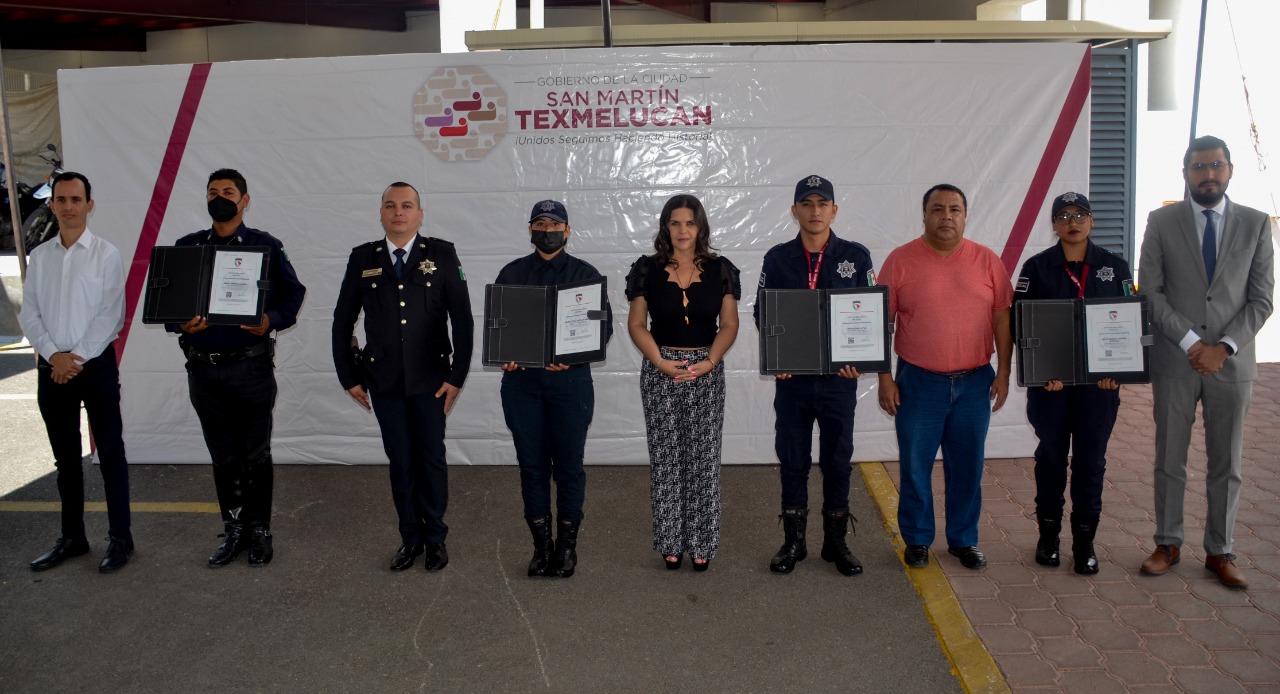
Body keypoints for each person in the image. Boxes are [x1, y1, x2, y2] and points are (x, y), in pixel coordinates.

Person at [1137, 135, 1274, 589]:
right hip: (1177, 360)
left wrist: (1224, 347)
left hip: (1232, 366)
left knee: (1227, 462)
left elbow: (1261, 300)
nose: (1208, 174)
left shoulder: (1256, 224)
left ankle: (1220, 550)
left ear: (1230, 170)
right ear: (1186, 173)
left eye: (1216, 165)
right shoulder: (1161, 221)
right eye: (1199, 167)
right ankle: (1168, 543)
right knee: (1169, 457)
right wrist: (1194, 342)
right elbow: (1151, 292)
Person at [333, 181, 473, 572]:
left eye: (407, 205)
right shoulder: (363, 257)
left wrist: (457, 375)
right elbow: (342, 321)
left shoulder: (441, 254)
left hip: (432, 381)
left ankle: (436, 539)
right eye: (391, 205)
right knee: (401, 461)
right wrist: (349, 376)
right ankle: (409, 538)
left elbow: (462, 320)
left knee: (430, 458)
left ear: (419, 214)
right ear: (380, 213)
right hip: (384, 382)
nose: (399, 212)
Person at [169, 168, 306, 568]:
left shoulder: (265, 246)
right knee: (223, 454)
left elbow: (293, 293)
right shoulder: (188, 247)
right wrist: (181, 322)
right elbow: (171, 304)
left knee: (256, 454)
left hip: (251, 370)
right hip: (204, 371)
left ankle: (260, 530)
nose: (220, 197)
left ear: (245, 200)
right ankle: (233, 529)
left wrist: (269, 320)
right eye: (213, 192)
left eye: (228, 192)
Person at [877, 183, 1013, 570]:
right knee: (916, 465)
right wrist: (885, 377)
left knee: (967, 466)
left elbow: (1002, 318)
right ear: (924, 215)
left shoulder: (987, 261)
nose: (946, 216)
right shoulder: (900, 261)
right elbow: (878, 322)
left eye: (955, 209)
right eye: (937, 209)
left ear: (966, 216)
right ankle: (918, 540)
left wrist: (1003, 371)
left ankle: (963, 540)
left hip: (974, 382)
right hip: (919, 382)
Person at [753, 175, 874, 577]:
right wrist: (778, 354)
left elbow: (868, 313)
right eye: (807, 203)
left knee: (838, 461)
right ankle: (794, 543)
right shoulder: (777, 258)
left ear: (834, 210)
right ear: (795, 211)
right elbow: (762, 313)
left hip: (839, 381)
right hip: (794, 382)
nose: (815, 210)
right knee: (793, 459)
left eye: (823, 203)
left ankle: (836, 544)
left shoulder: (855, 257)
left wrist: (860, 355)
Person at [20, 172, 134, 573]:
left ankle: (121, 539)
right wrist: (55, 356)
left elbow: (111, 317)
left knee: (111, 454)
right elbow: (28, 313)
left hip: (94, 366)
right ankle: (73, 538)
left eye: (76, 199)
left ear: (90, 205)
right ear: (51, 205)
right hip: (53, 368)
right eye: (61, 199)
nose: (68, 206)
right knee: (65, 459)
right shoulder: (41, 256)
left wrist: (76, 358)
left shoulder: (106, 254)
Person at [1012, 192, 1131, 575]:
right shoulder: (1037, 268)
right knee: (1050, 458)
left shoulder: (1115, 267)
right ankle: (1048, 538)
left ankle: (1084, 542)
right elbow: (1020, 324)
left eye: (1080, 214)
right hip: (1052, 389)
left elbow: (1129, 324)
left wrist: (1120, 371)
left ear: (1091, 221)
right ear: (1054, 224)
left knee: (1090, 462)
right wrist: (1042, 368)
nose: (1072, 221)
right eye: (1063, 216)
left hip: (1099, 389)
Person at [495, 200, 613, 579]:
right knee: (531, 467)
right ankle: (541, 548)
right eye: (540, 223)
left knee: (568, 468)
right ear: (530, 229)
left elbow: (603, 327)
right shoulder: (511, 273)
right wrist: (506, 355)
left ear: (568, 229)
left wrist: (576, 355)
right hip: (522, 385)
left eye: (554, 223)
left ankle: (566, 548)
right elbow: (499, 329)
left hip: (569, 384)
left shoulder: (586, 274)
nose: (547, 229)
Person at [626, 194, 740, 572]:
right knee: (667, 460)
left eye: (690, 222)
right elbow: (637, 325)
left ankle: (703, 541)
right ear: (666, 227)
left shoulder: (722, 269)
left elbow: (730, 325)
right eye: (675, 223)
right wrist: (660, 362)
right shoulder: (646, 270)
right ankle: (671, 541)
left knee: (704, 460)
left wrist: (709, 361)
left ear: (701, 227)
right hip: (661, 370)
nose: (683, 230)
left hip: (706, 371)